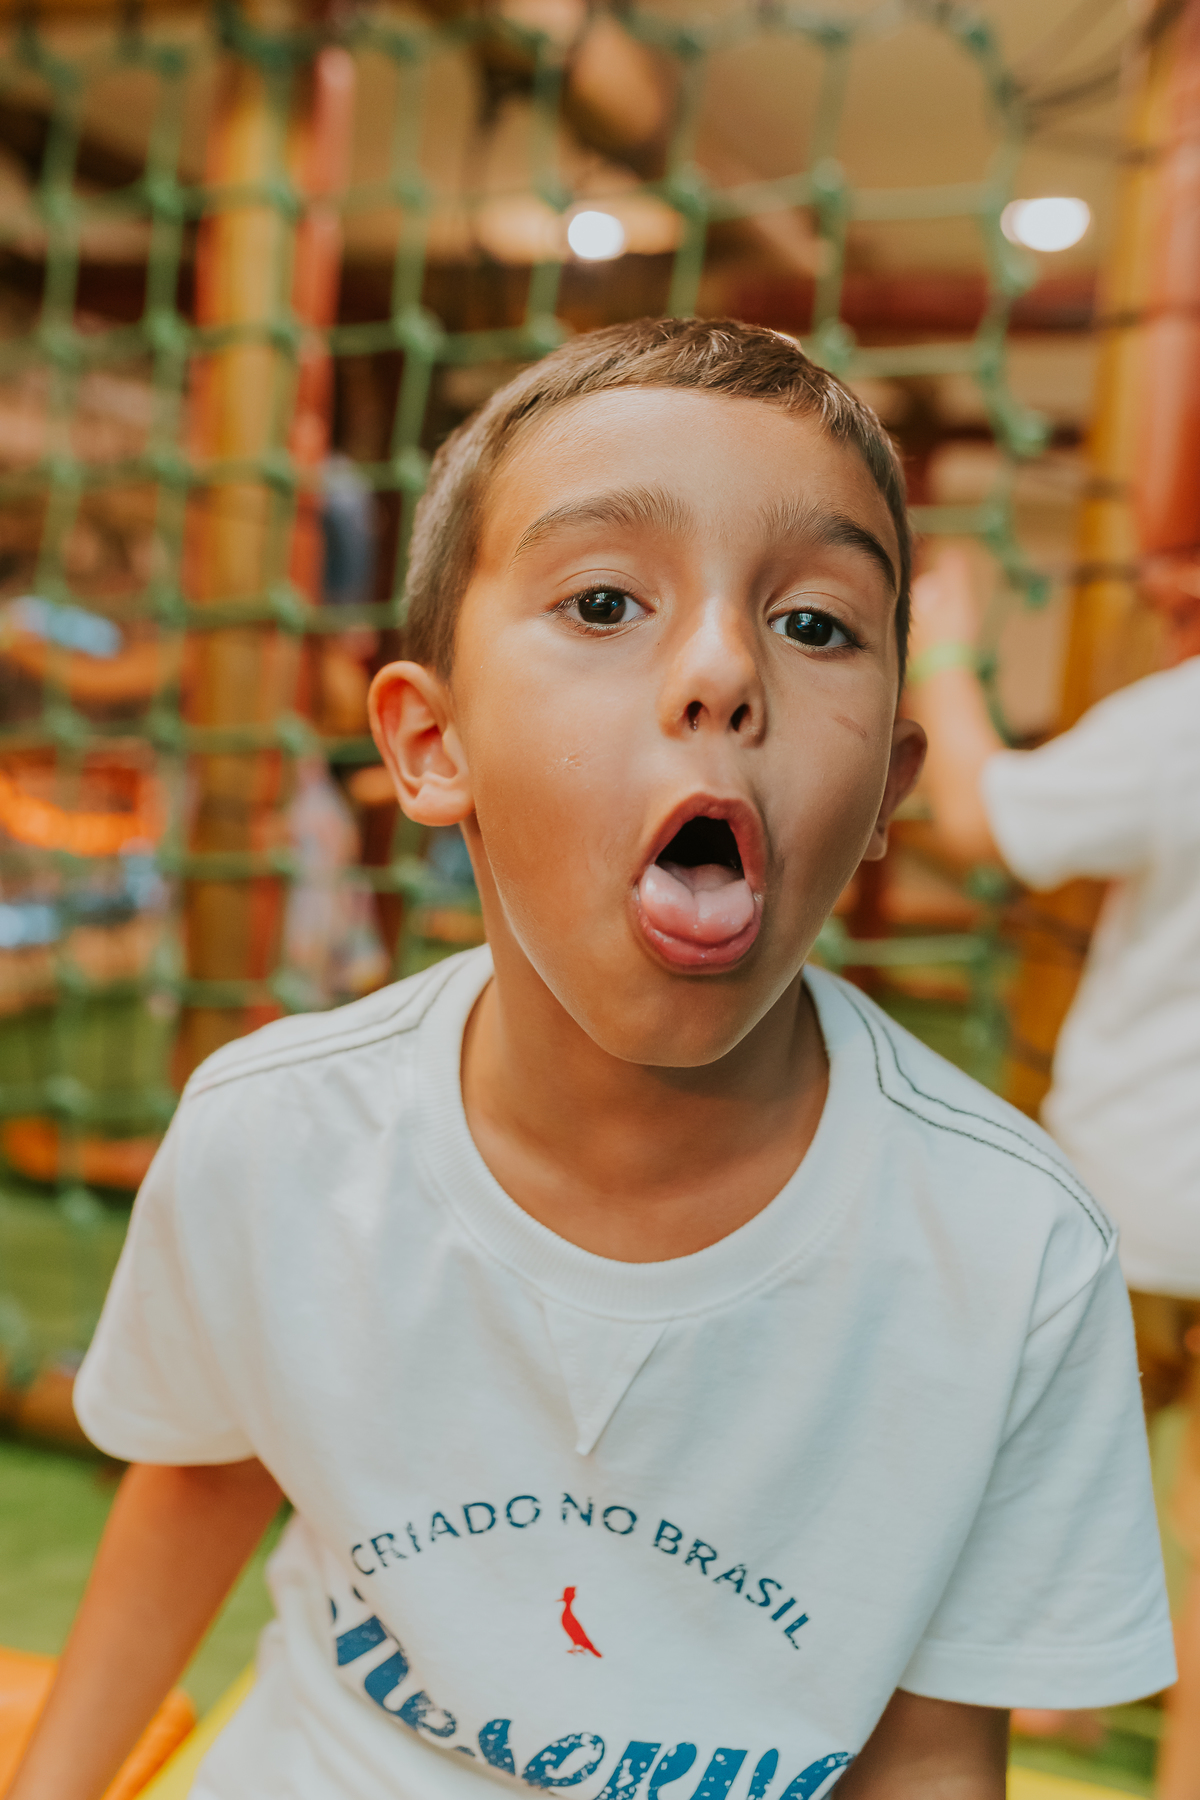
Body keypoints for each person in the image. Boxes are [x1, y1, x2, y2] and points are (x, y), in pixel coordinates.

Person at [7, 320, 1174, 1800]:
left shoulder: (1015, 1254)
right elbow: (205, 1475)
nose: (720, 671)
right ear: (432, 748)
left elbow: (938, 1752)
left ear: (886, 786)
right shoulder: (275, 1131)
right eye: (608, 599)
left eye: (814, 624)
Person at [905, 546, 1200, 1798]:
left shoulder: (1182, 721)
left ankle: (1033, 1705)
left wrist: (940, 647)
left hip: (1141, 1195)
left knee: (1002, 1492)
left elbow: (983, 821)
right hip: (1148, 1195)